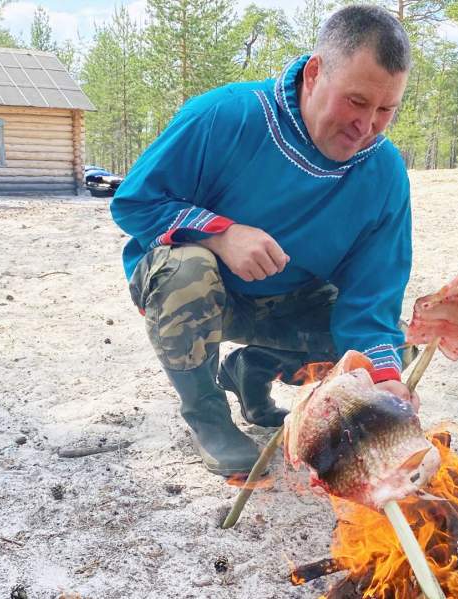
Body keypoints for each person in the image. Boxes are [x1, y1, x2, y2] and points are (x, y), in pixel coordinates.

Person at [110, 4, 418, 476]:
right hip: (201, 296)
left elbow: (371, 299)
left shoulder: (384, 173)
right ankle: (207, 416)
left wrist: (384, 381)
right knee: (187, 270)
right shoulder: (227, 115)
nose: (367, 126)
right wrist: (219, 234)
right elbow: (134, 202)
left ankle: (253, 368)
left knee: (390, 352)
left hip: (288, 302)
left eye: (385, 110)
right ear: (314, 74)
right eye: (356, 101)